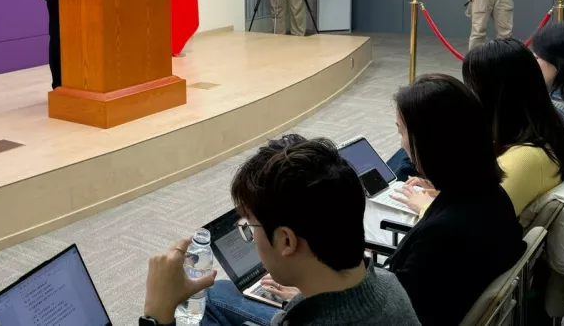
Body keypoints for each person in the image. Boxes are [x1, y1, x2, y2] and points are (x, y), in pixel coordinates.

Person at [141, 135, 420, 326]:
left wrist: (156, 315)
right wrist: (302, 297)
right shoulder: (389, 284)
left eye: (251, 229)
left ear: (286, 240)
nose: (253, 239)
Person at [386, 75, 525, 325]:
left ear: (429, 142)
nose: (401, 143)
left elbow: (395, 312)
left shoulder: (442, 235)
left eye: (401, 131)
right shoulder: (493, 195)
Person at [462, 38, 564, 215]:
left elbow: (475, 224)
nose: (468, 94)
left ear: (492, 94)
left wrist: (427, 206)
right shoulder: (546, 129)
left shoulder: (525, 158)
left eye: (472, 86)